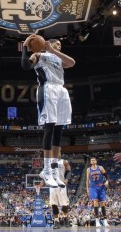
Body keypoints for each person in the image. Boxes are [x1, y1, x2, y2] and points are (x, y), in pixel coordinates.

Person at [21, 34, 75, 188]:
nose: (60, 46)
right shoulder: (38, 55)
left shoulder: (59, 58)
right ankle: (45, 170)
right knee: (50, 126)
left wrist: (53, 50)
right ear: (47, 44)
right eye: (57, 44)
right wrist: (25, 46)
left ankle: (54, 170)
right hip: (47, 89)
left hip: (61, 90)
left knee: (59, 129)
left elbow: (72, 62)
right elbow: (25, 66)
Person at [40, 152, 72, 229]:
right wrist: (43, 181)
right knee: (54, 204)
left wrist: (67, 179)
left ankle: (65, 218)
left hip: (62, 184)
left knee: (64, 204)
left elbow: (69, 171)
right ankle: (56, 222)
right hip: (53, 185)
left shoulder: (64, 161)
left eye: (58, 153)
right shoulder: (49, 163)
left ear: (60, 154)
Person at [86, 156, 109, 227]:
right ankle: (97, 221)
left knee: (102, 203)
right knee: (95, 203)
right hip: (93, 187)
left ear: (96, 161)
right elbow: (87, 180)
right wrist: (87, 189)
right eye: (91, 160)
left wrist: (107, 181)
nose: (93, 161)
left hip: (101, 186)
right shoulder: (88, 169)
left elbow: (106, 176)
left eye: (94, 160)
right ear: (90, 162)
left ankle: (105, 220)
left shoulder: (100, 167)